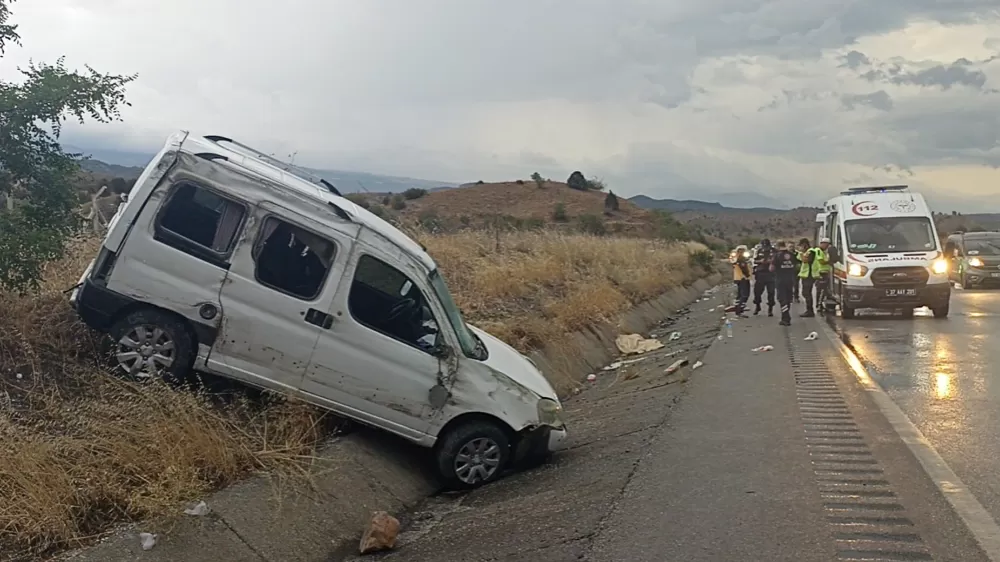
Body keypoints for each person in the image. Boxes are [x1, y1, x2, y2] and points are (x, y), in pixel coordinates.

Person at [772, 240, 798, 326]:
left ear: (778, 246)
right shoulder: (792, 255)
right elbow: (796, 266)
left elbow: (771, 268)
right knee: (788, 299)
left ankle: (786, 318)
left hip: (780, 280)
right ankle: (786, 316)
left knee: (782, 299)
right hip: (790, 280)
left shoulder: (777, 256)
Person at [752, 238, 776, 316]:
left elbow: (778, 260)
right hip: (760, 273)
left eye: (767, 245)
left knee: (771, 292)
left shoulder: (774, 251)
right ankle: (757, 306)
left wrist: (771, 261)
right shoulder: (759, 251)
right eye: (764, 245)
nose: (765, 248)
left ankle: (770, 309)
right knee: (757, 292)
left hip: (771, 274)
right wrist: (760, 261)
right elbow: (754, 261)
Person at [798, 239, 821, 317]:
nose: (800, 248)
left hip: (809, 275)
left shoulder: (811, 252)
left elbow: (806, 261)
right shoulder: (808, 252)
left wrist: (801, 253)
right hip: (806, 275)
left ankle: (810, 310)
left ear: (805, 245)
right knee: (805, 293)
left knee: (807, 293)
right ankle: (809, 310)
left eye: (801, 246)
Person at [815, 237, 834, 313]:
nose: (827, 246)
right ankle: (818, 305)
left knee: (825, 290)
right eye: (826, 244)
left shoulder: (824, 252)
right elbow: (821, 261)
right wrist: (829, 261)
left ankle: (822, 305)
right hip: (821, 272)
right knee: (821, 290)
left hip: (825, 272)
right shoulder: (819, 251)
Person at [732, 247, 751, 317]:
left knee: (740, 295)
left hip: (737, 278)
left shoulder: (735, 259)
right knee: (745, 295)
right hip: (743, 278)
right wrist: (747, 275)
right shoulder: (741, 259)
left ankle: (737, 308)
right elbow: (744, 268)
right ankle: (740, 310)